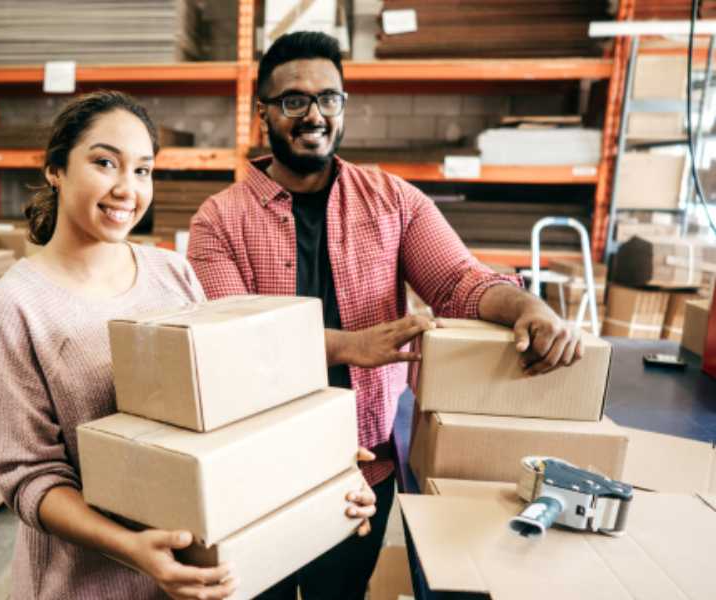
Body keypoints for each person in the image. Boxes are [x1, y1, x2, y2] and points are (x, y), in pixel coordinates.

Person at [187, 31, 584, 600]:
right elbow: (230, 341)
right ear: (263, 113)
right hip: (256, 469)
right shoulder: (218, 220)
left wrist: (528, 306)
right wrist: (349, 346)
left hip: (361, 468)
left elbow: (458, 282)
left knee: (341, 594)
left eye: (328, 98)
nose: (314, 115)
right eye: (294, 101)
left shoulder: (393, 201)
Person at [0, 90, 375, 600]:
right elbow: (28, 475)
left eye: (143, 170)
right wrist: (130, 548)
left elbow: (226, 412)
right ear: (56, 169)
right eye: (105, 163)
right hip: (84, 585)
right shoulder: (16, 305)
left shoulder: (172, 274)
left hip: (191, 577)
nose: (127, 189)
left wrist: (323, 464)